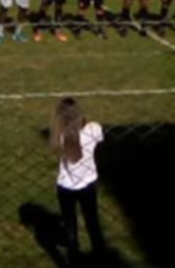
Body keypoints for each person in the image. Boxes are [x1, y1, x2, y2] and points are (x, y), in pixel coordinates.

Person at [51, 98, 105, 263]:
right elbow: (99, 141)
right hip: (88, 183)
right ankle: (100, 255)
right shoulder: (93, 129)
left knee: (70, 225)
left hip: (65, 186)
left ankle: (73, 258)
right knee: (92, 221)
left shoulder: (59, 136)